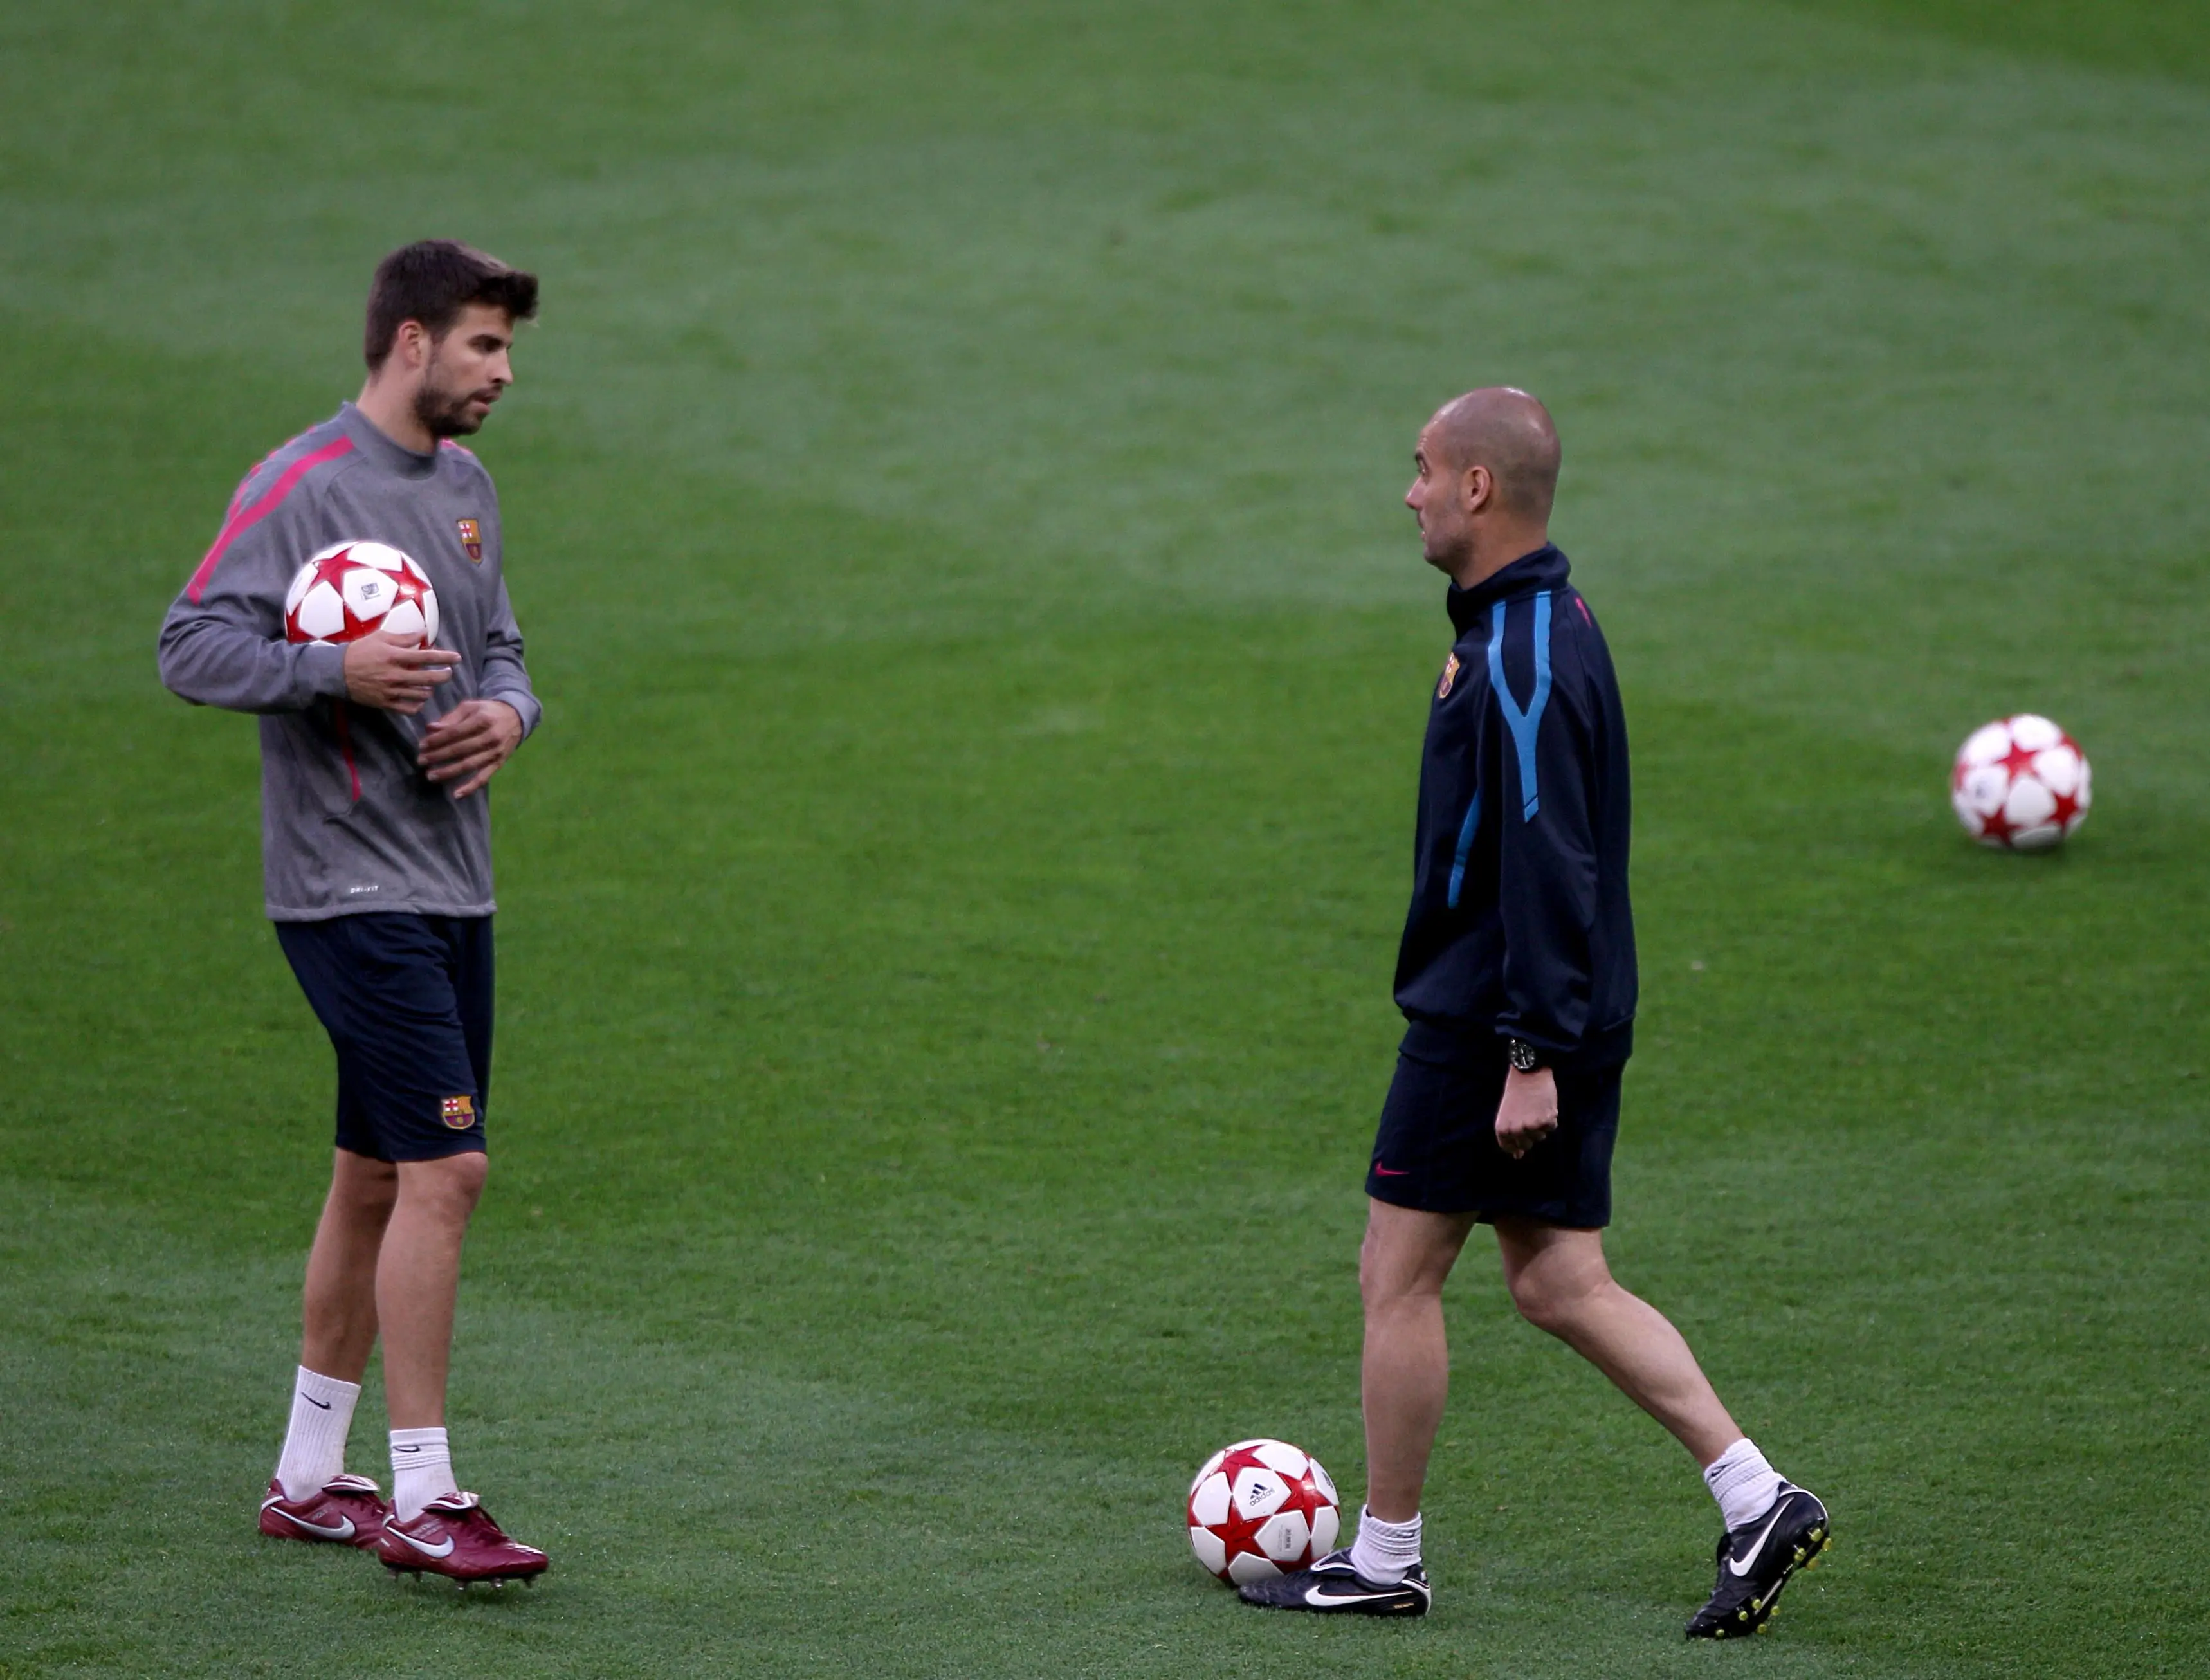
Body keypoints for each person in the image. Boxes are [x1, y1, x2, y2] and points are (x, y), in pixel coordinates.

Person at [1238, 390, 1828, 1638]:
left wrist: (1523, 1050)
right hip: (1554, 1008)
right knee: (1559, 1278)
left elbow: (1544, 857)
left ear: (1474, 490)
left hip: (1493, 1022)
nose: (1404, 492)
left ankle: (1383, 1555)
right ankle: (1753, 1493)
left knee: (1394, 1272)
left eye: (1420, 470)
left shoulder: (1520, 655)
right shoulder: (1542, 622)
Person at [158, 241, 551, 1586]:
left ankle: (311, 1477)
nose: (502, 372)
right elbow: (190, 642)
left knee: (377, 1172)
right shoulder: (298, 486)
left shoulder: (464, 487)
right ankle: (429, 1496)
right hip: (345, 885)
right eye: (484, 346)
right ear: (409, 344)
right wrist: (335, 666)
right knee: (449, 1169)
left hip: (453, 878)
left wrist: (508, 711)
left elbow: (500, 647)